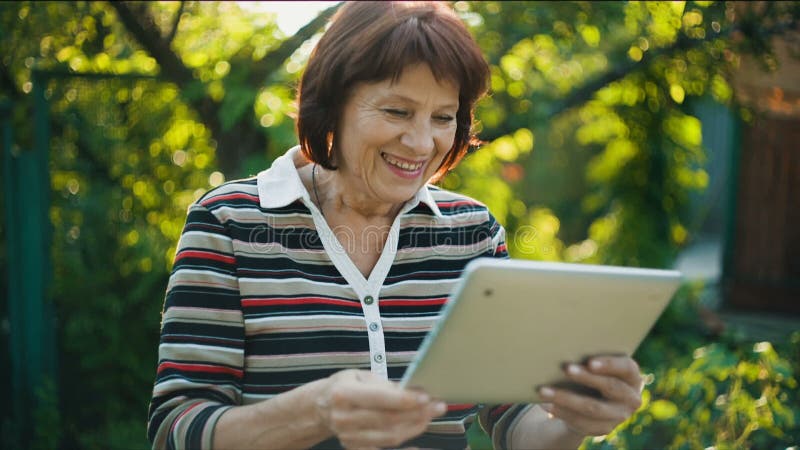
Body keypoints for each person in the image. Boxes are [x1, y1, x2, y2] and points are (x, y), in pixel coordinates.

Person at [147, 2, 644, 449]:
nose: (422, 142)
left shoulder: (471, 233)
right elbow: (177, 429)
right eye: (397, 111)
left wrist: (578, 419)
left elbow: (512, 420)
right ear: (333, 104)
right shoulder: (230, 223)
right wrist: (314, 412)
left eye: (443, 117)